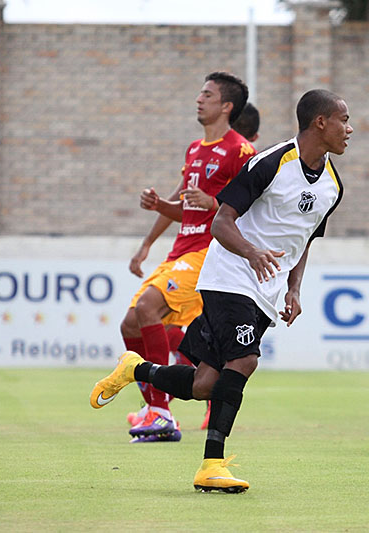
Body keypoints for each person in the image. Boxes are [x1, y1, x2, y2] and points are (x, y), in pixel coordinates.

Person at [90, 88, 352, 493]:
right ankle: (211, 464)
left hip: (264, 291)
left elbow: (304, 241)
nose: (349, 129)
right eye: (344, 120)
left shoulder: (333, 186)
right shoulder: (270, 163)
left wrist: (294, 290)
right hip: (229, 276)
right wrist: (251, 253)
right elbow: (221, 222)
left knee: (204, 384)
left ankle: (134, 369)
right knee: (245, 361)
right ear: (321, 122)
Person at [119, 72, 257, 443]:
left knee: (148, 308)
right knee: (130, 325)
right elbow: (182, 204)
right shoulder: (195, 149)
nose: (199, 99)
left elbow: (251, 210)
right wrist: (155, 217)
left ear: (226, 106)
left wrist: (213, 204)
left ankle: (161, 412)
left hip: (207, 253)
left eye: (207, 94)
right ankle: (154, 408)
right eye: (200, 93)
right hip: (180, 249)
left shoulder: (241, 151)